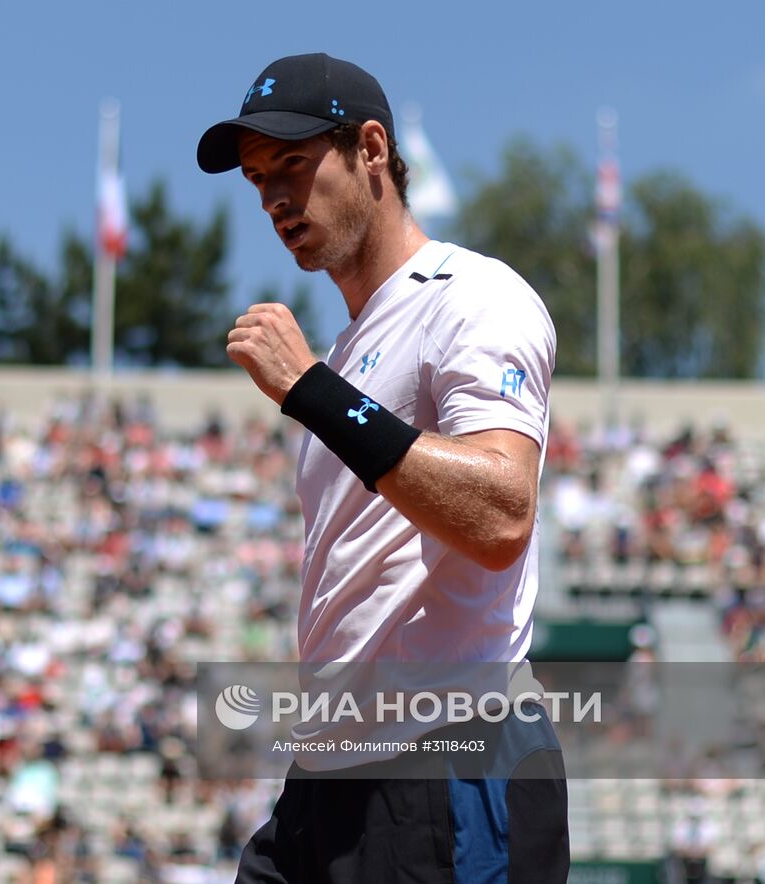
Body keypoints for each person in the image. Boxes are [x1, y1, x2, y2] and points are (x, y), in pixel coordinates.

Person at [198, 53, 567, 882]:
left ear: (372, 149)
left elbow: (503, 514)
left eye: (292, 165)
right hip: (331, 778)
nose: (274, 200)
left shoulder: (474, 296)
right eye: (258, 181)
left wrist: (311, 392)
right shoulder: (349, 350)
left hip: (450, 757)